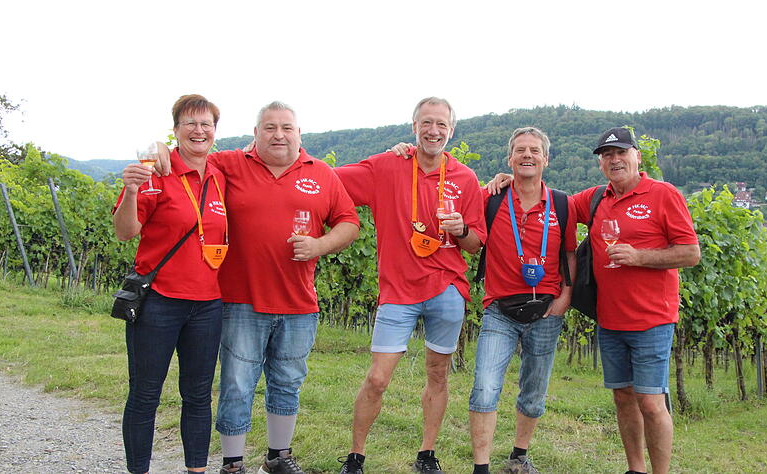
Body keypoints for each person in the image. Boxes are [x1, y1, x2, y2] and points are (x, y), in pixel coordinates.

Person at [155, 101, 360, 474]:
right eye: (269, 128)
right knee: (237, 383)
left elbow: (348, 221)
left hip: (299, 303)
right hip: (240, 300)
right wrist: (158, 151)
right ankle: (233, 463)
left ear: (300, 134)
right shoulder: (231, 164)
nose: (278, 135)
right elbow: (190, 155)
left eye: (286, 128)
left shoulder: (323, 174)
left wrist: (320, 245)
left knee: (287, 382)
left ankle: (278, 457)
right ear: (255, 134)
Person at [488, 126, 700, 474]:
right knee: (623, 398)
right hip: (610, 319)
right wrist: (513, 179)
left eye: (621, 153)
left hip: (653, 319)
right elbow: (546, 201)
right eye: (607, 155)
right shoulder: (595, 198)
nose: (614, 160)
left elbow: (690, 253)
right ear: (601, 163)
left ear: (637, 156)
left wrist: (640, 257)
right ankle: (636, 469)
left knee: (651, 401)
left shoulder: (663, 194)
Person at [334, 97, 486, 474]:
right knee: (377, 378)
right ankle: (356, 456)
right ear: (413, 126)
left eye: (442, 125)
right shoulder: (388, 166)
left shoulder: (465, 178)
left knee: (438, 373)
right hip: (397, 292)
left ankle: (426, 453)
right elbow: (331, 181)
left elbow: (476, 243)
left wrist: (461, 230)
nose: (434, 131)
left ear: (451, 131)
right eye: (427, 123)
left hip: (447, 289)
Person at [113, 94, 228, 474]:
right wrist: (131, 191)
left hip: (208, 304)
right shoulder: (154, 173)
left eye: (206, 124)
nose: (199, 130)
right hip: (159, 302)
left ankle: (196, 469)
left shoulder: (222, 173)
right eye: (190, 124)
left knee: (197, 396)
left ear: (215, 131)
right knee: (146, 394)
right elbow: (125, 232)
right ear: (176, 129)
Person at [469, 127, 577, 474]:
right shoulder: (492, 199)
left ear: (546, 159)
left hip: (546, 310)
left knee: (533, 394)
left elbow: (571, 254)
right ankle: (481, 467)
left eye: (534, 150)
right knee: (485, 389)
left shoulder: (563, 203)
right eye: (520, 150)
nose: (527, 155)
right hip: (499, 310)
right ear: (510, 159)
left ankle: (519, 456)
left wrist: (564, 299)